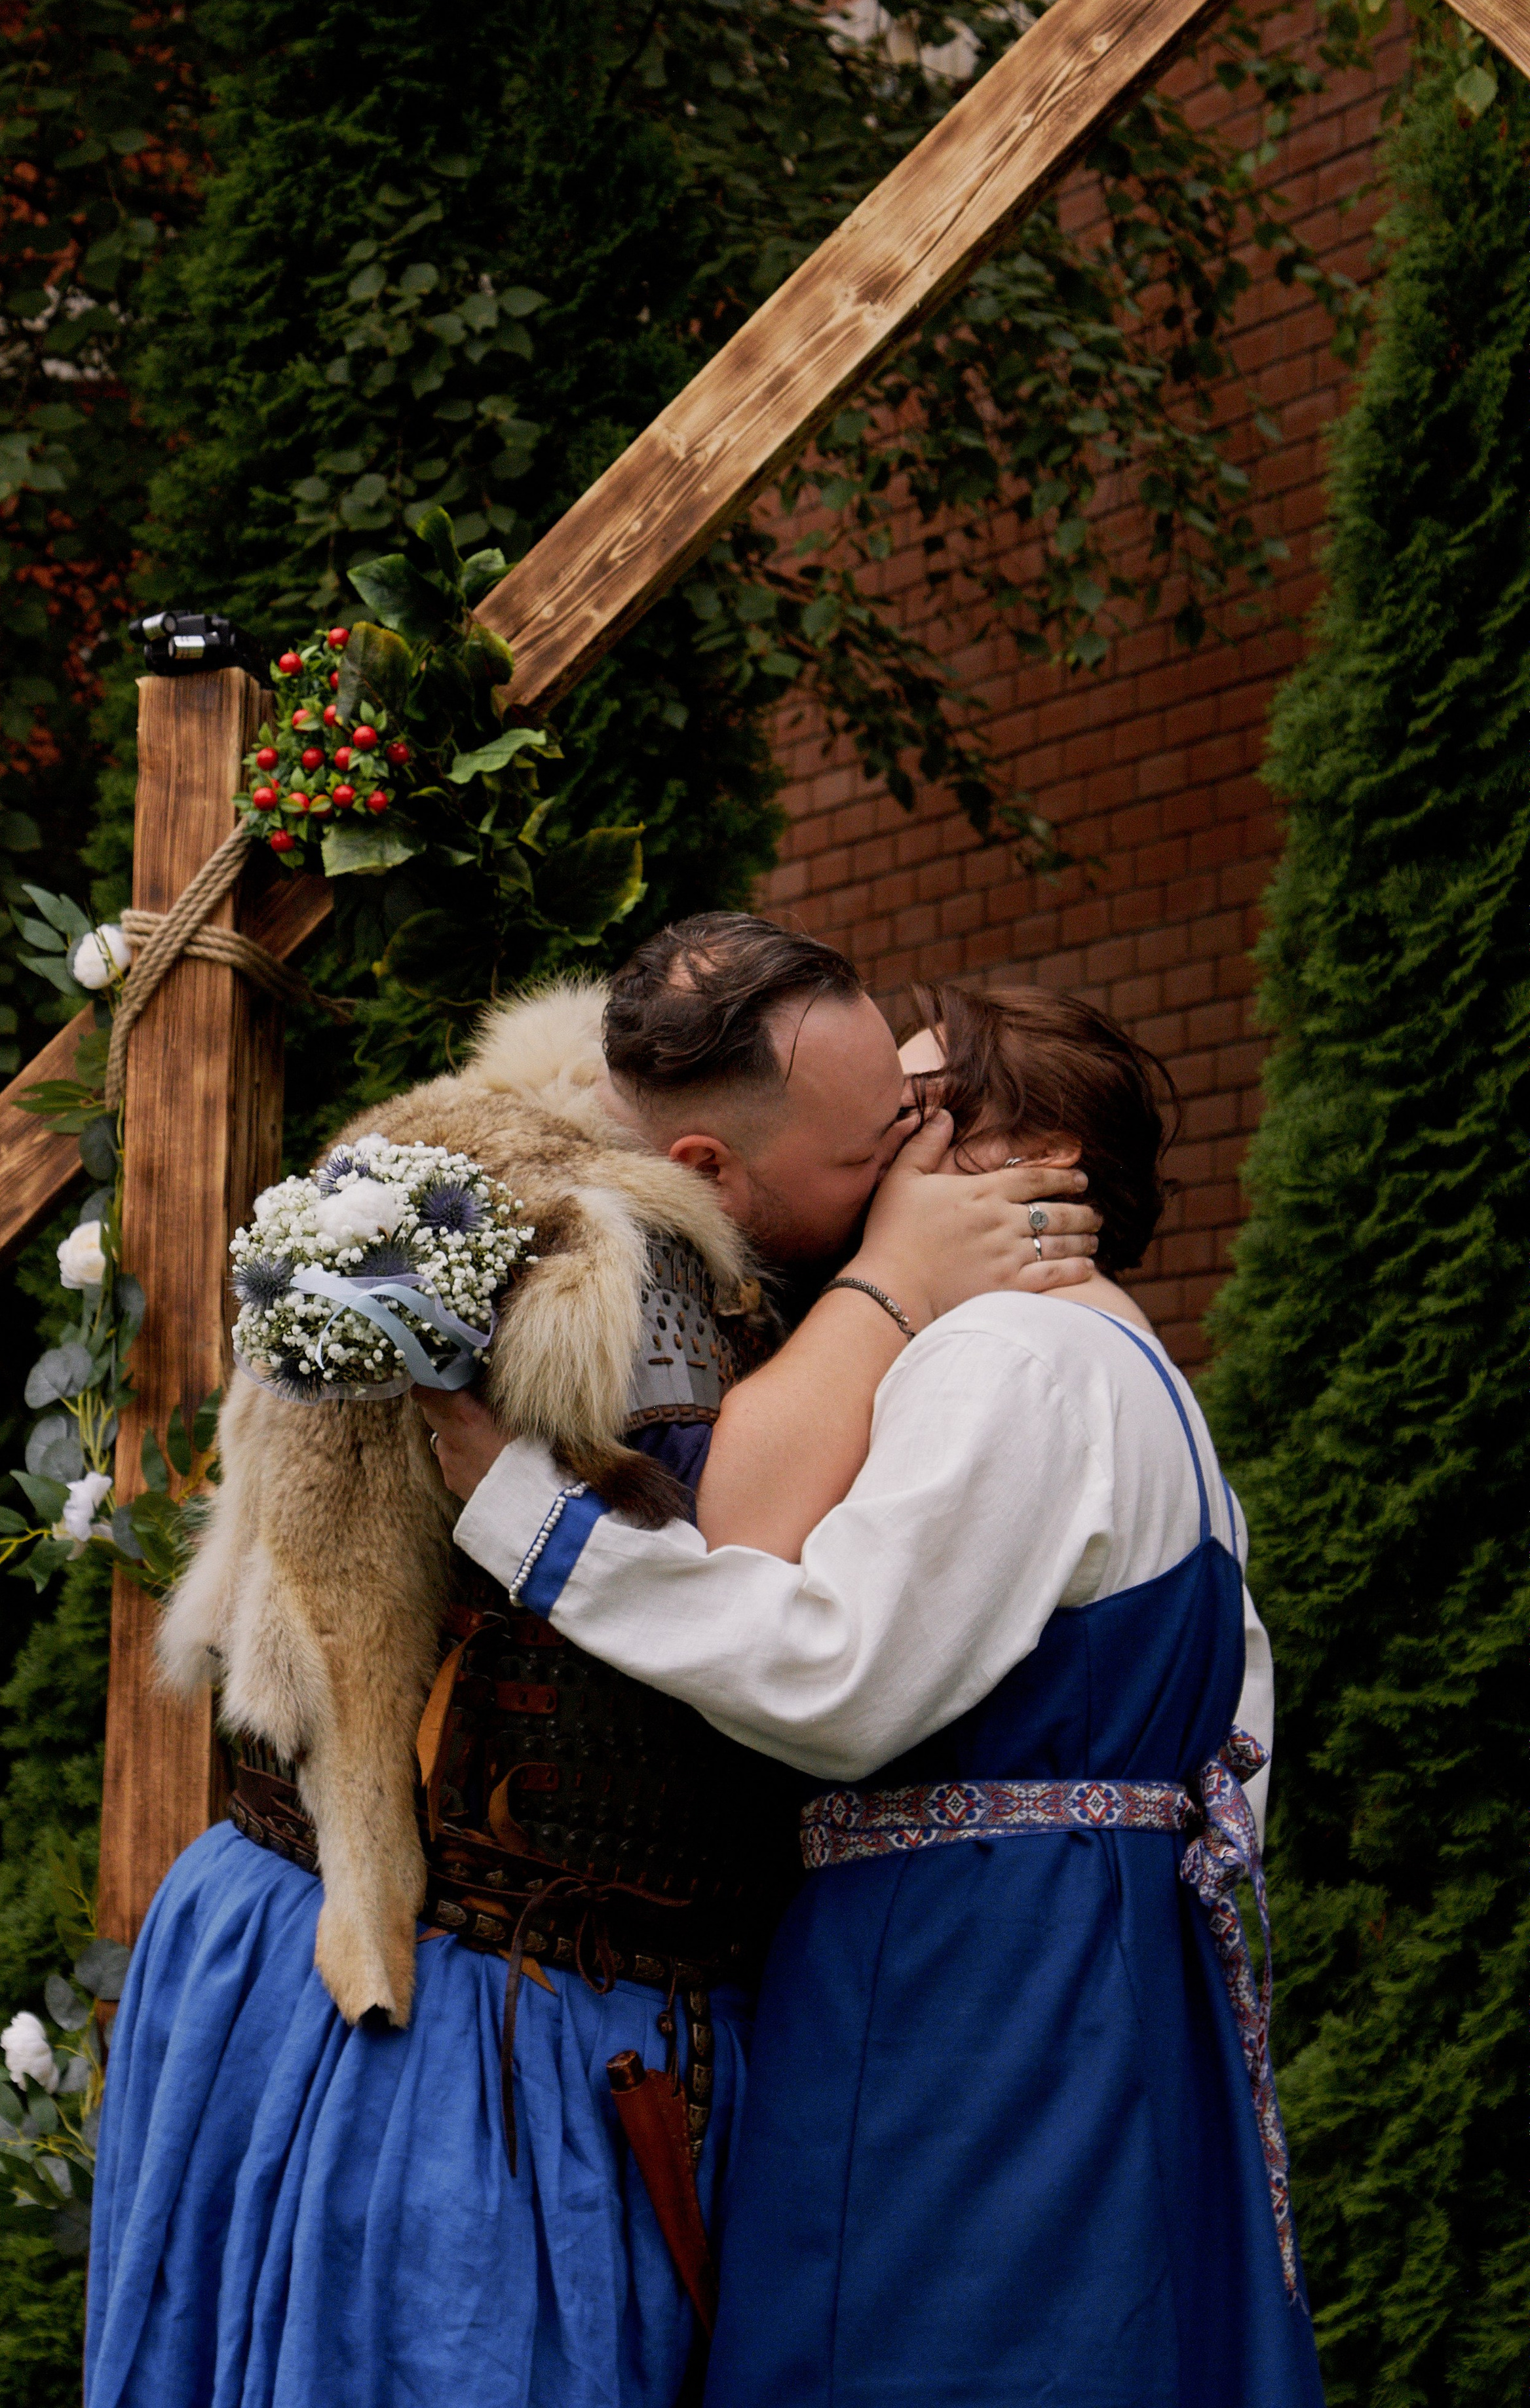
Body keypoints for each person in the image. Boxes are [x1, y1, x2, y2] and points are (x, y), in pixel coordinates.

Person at [86, 924, 1098, 2408]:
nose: (913, 1162)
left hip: (482, 1987)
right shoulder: (610, 1267)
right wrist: (892, 1280)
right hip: (472, 2025)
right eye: (875, 1149)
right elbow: (736, 1537)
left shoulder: (472, 1165)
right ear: (706, 1159)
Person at [424, 980, 1326, 2408]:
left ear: (1020, 1161)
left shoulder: (1007, 1355)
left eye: (911, 1116)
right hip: (1095, 1964)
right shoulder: (1142, 1372)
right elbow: (1241, 1733)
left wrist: (541, 1524)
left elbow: (837, 1673)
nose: (871, 1144)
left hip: (966, 1986)